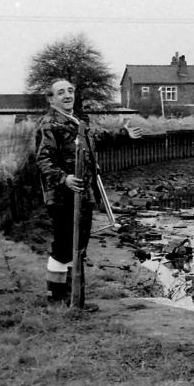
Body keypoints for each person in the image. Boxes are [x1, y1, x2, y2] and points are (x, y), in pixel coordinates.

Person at [34, 79, 142, 305]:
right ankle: (56, 299)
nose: (67, 95)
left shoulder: (79, 122)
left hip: (83, 196)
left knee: (79, 246)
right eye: (60, 92)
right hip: (62, 196)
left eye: (70, 91)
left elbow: (92, 147)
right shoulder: (48, 124)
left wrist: (124, 134)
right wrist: (64, 178)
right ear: (51, 98)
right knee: (64, 246)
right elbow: (43, 160)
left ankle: (75, 300)